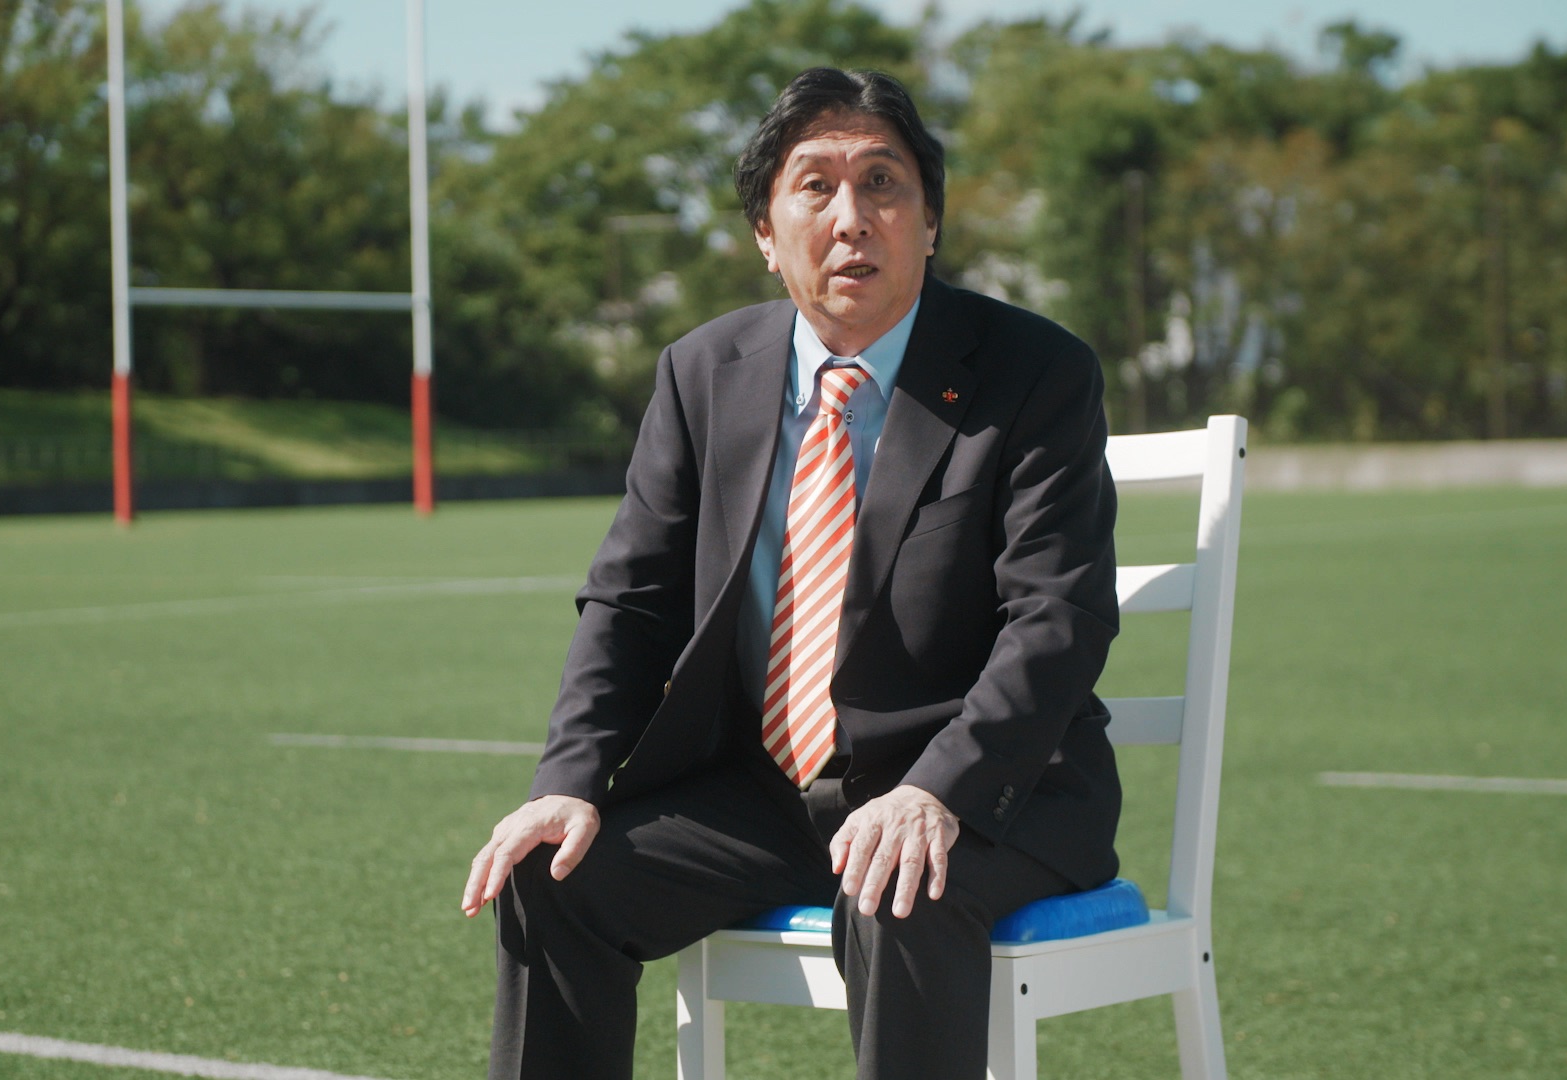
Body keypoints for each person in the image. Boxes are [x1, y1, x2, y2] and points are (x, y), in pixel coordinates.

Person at [461, 67, 1120, 1079]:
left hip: (991, 795)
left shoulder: (1035, 371)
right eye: (815, 186)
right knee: (552, 876)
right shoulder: (703, 373)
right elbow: (630, 604)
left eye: (883, 183)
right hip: (766, 798)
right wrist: (569, 781)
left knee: (899, 881)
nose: (852, 217)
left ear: (931, 223)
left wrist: (936, 790)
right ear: (766, 234)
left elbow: (1057, 617)